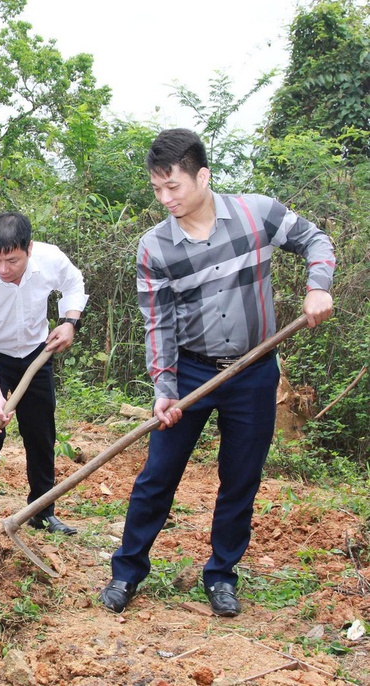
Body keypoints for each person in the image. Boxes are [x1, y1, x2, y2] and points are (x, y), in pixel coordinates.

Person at [100, 128, 335, 617]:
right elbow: (158, 323)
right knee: (157, 475)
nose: (166, 199)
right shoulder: (155, 248)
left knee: (239, 478)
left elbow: (316, 239)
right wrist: (164, 388)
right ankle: (126, 572)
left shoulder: (257, 214)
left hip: (253, 372)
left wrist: (318, 287)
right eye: (157, 189)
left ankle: (222, 575)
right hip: (191, 373)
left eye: (175, 187)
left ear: (202, 175)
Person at [0, 211, 87, 544]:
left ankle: (42, 511)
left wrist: (70, 321)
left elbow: (73, 284)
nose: (2, 269)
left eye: (12, 260)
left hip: (35, 354)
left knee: (41, 434)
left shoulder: (50, 259)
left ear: (29, 248)